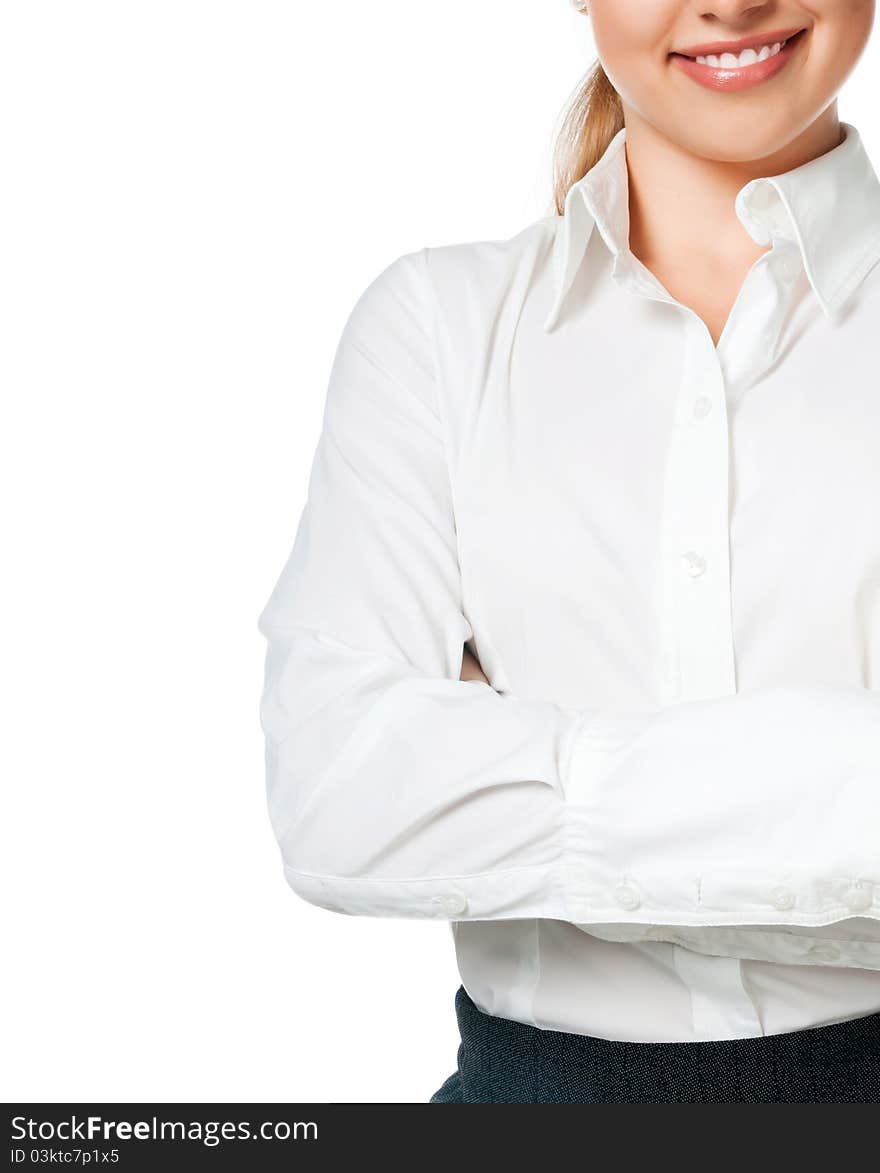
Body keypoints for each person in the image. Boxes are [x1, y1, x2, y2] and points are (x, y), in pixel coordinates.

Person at [256, 0, 880, 1102]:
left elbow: (416, 801)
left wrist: (512, 768)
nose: (730, 4)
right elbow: (342, 801)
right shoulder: (436, 332)